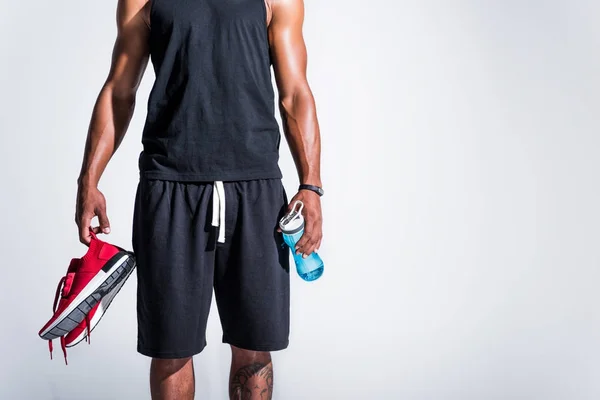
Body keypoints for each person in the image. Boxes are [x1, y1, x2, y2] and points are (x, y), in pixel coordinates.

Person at [73, 0, 323, 398]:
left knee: (254, 346)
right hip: (170, 185)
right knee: (171, 348)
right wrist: (90, 179)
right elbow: (120, 89)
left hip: (255, 188)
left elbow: (294, 92)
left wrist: (311, 186)